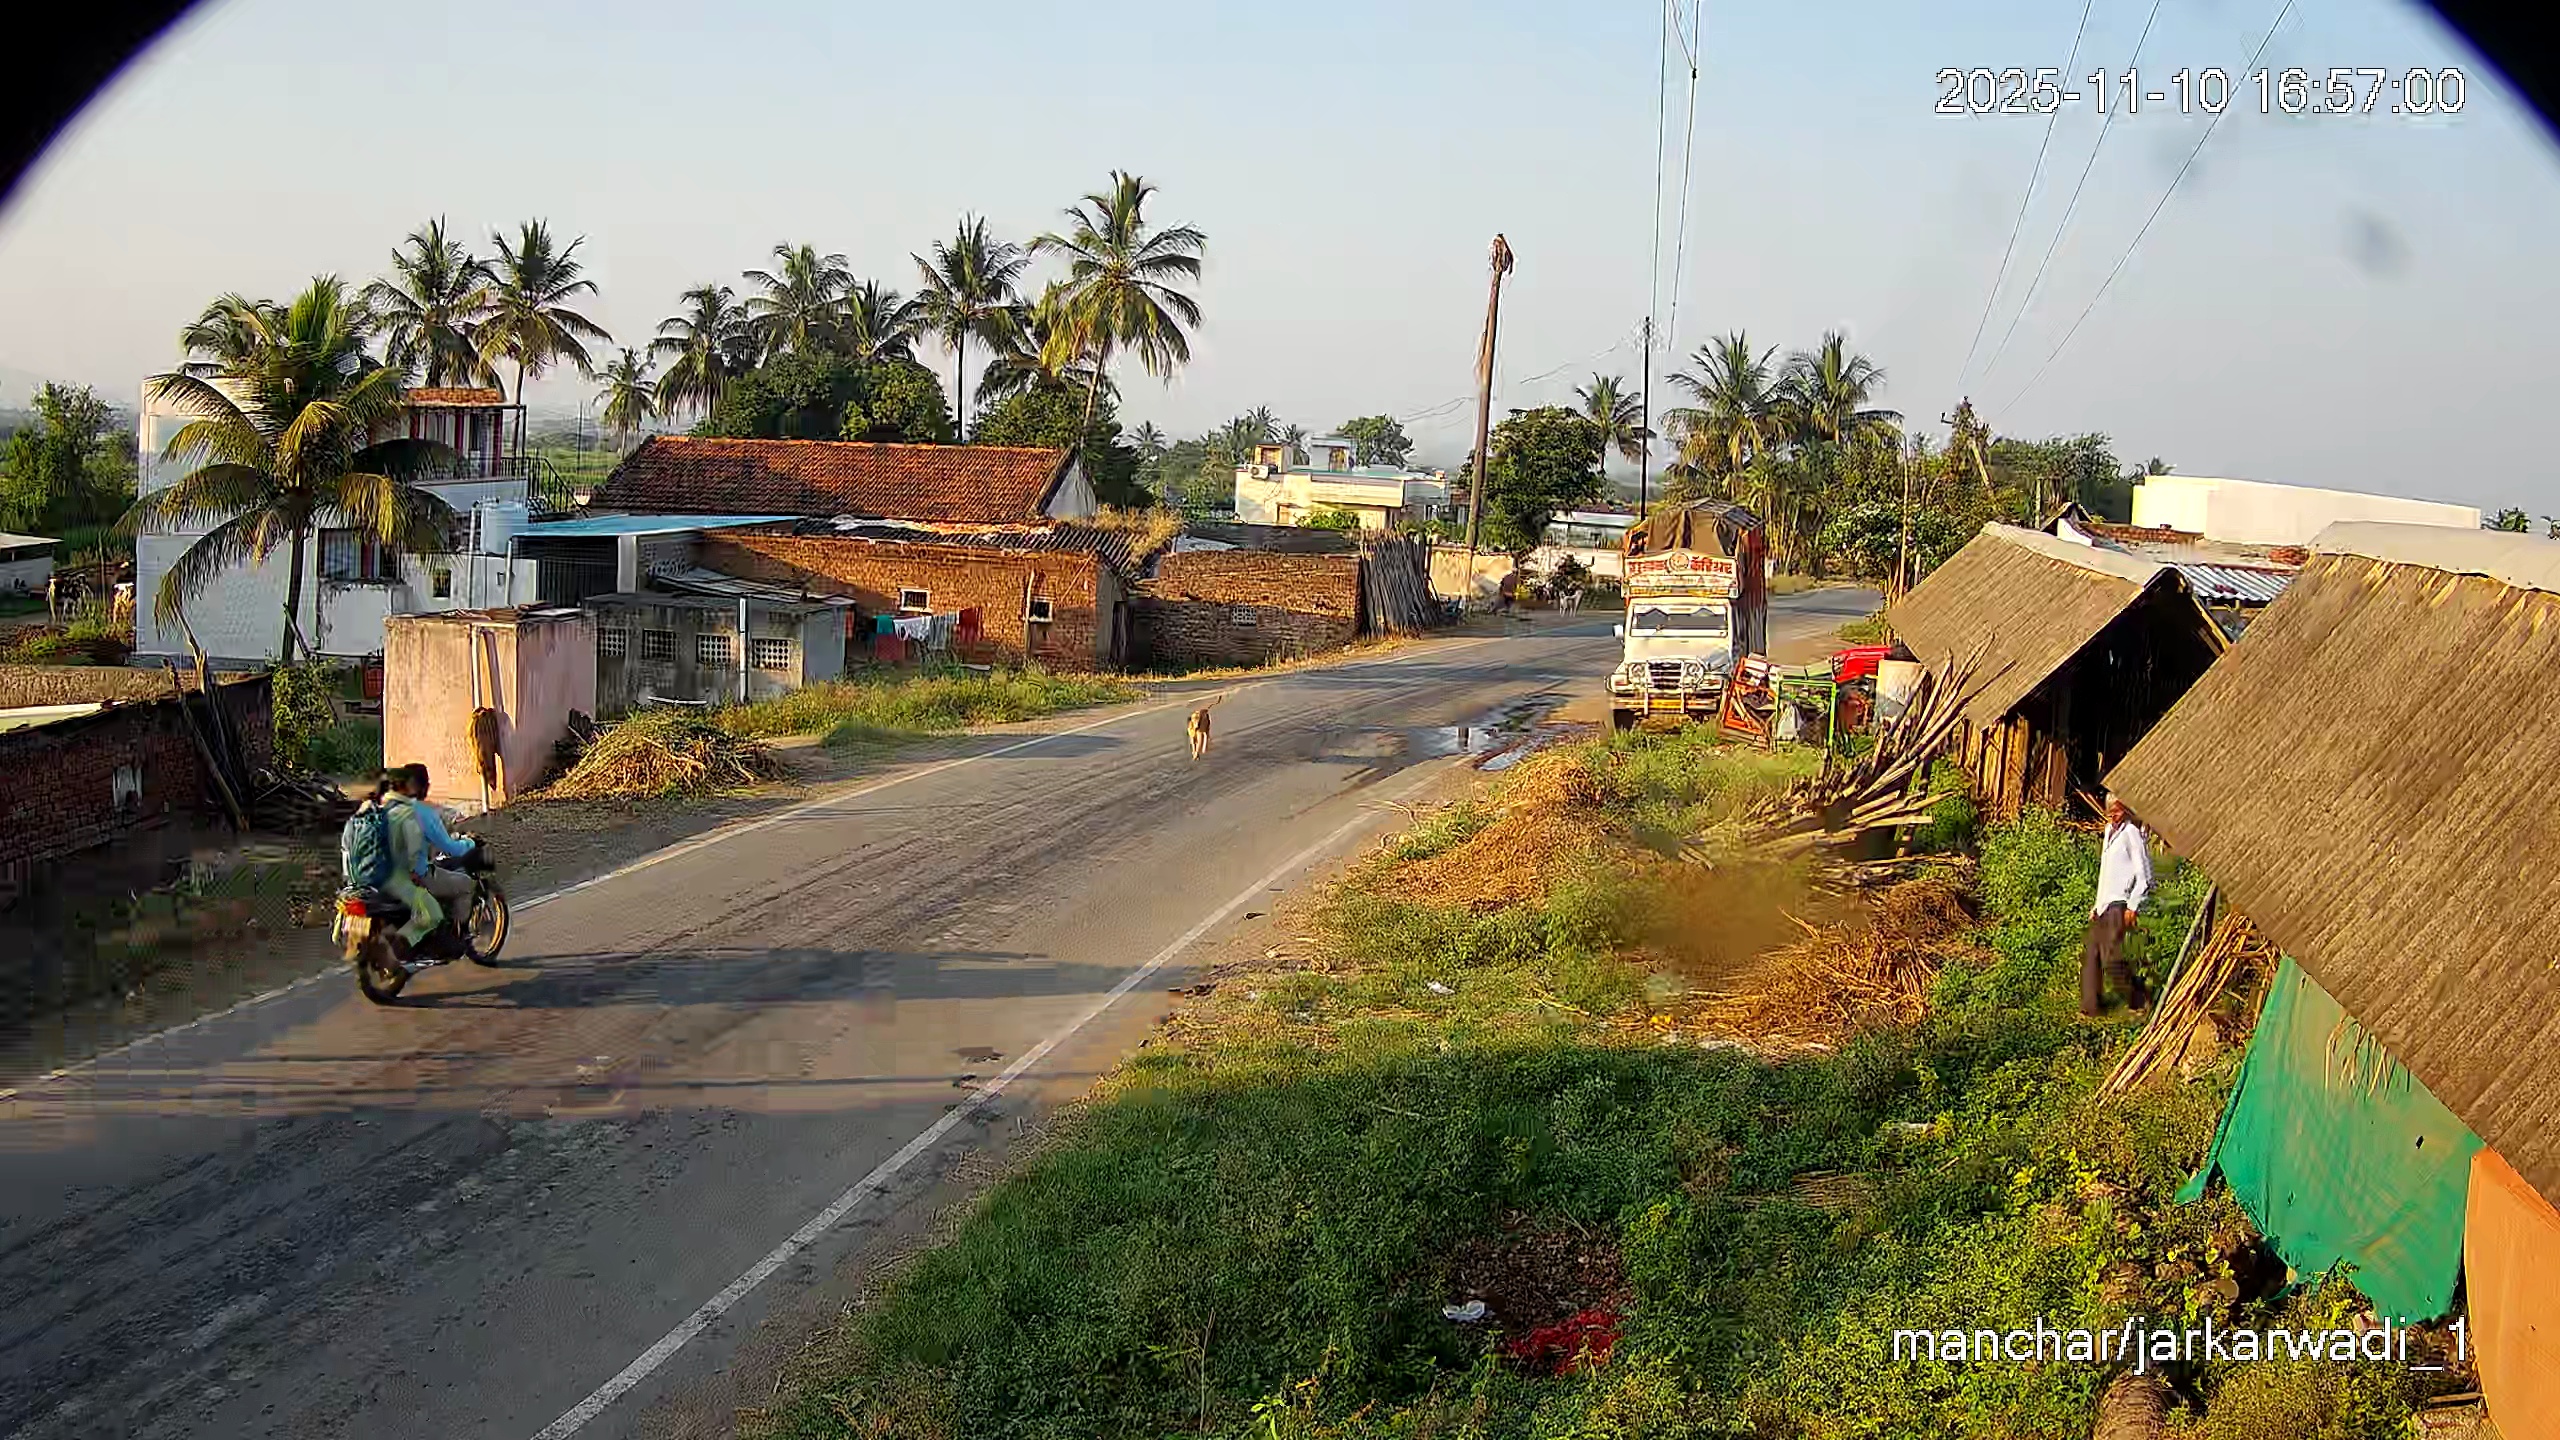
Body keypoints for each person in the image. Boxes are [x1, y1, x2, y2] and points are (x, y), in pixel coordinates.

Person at [2082, 793, 2154, 1016]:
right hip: (2105, 904)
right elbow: (2106, 874)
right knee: (2091, 954)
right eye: (2110, 812)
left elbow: (2145, 875)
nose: (2113, 816)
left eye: (2117, 811)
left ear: (2125, 809)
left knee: (2111, 955)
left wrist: (2134, 905)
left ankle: (2138, 999)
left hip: (2120, 902)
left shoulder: (2131, 833)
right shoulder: (2108, 833)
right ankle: (2091, 1009)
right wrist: (2097, 904)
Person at [397, 763, 478, 942]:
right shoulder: (423, 813)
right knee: (466, 885)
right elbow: (449, 847)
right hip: (417, 876)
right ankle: (460, 937)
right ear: (424, 786)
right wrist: (470, 843)